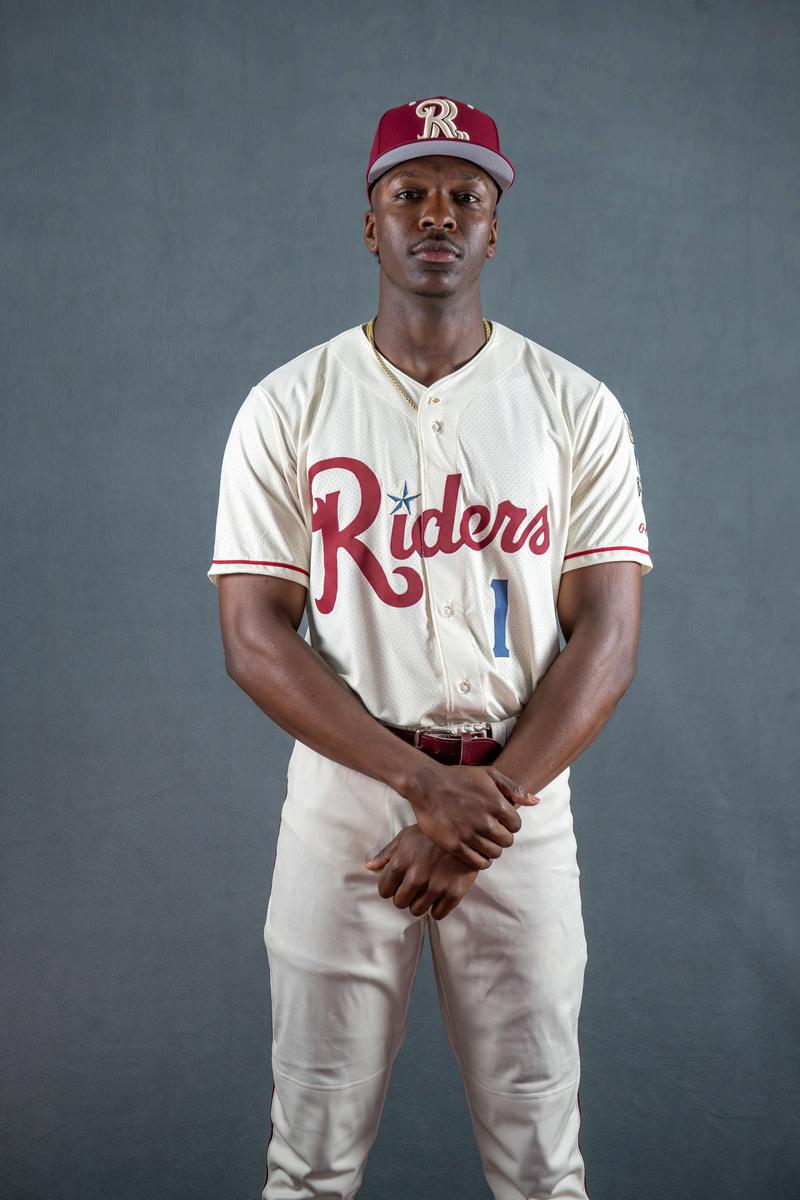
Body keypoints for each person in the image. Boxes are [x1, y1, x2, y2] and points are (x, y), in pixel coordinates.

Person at [207, 95, 653, 1200]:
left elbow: (607, 638)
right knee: (308, 1157)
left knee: (542, 1161)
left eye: (466, 194)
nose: (438, 214)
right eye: (409, 193)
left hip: (519, 799)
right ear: (371, 224)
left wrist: (481, 807)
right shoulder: (287, 404)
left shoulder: (575, 406)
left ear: (495, 227)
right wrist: (422, 788)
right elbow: (253, 636)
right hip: (348, 799)